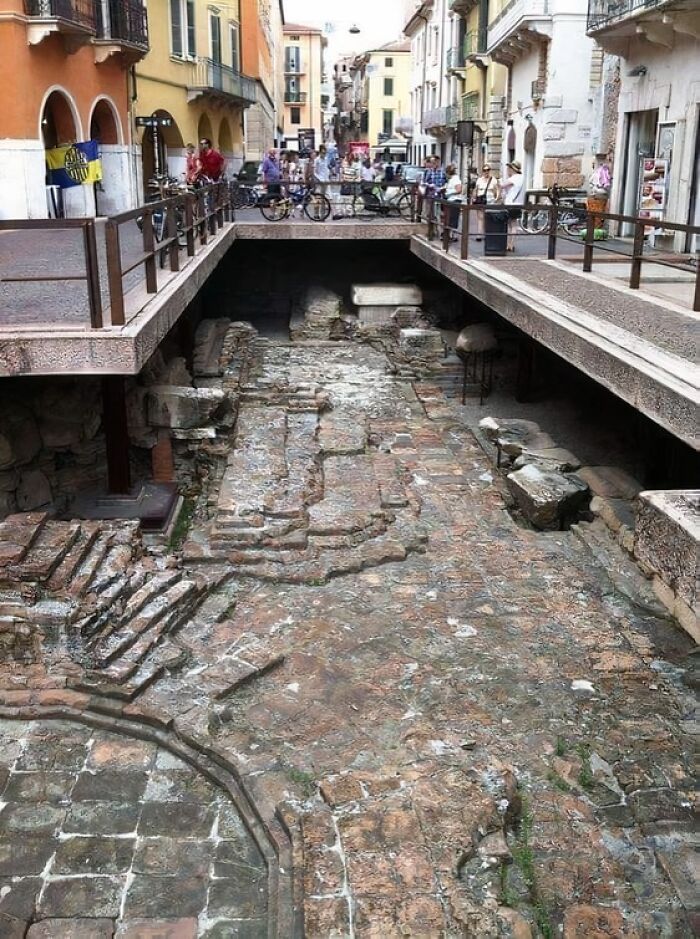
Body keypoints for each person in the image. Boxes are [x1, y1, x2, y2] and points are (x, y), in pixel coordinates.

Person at [501, 159, 524, 251]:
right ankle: (511, 244)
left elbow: (502, 185)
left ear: (512, 169)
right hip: (518, 203)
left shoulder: (513, 178)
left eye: (509, 168)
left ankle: (509, 244)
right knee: (513, 224)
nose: (508, 170)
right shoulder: (522, 177)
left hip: (511, 203)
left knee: (511, 225)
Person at [472, 163, 500, 241]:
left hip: (490, 200)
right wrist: (474, 197)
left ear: (490, 171)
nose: (486, 172)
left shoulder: (493, 180)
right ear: (482, 171)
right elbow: (476, 189)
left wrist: (496, 199)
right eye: (484, 170)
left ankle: (487, 233)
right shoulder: (479, 180)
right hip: (480, 199)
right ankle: (479, 234)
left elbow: (498, 190)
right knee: (480, 217)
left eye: (488, 170)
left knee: (488, 217)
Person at [444, 163, 463, 240]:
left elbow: (459, 190)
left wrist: (449, 193)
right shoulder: (452, 179)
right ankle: (451, 234)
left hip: (455, 200)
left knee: (453, 218)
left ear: (448, 173)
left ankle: (453, 235)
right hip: (451, 200)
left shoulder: (456, 179)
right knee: (451, 217)